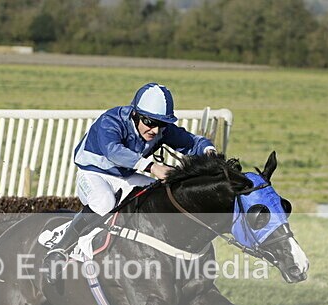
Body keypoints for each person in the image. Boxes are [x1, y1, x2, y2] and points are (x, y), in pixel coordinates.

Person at [43, 82, 216, 270]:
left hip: (125, 176)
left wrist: (209, 151)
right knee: (104, 202)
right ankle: (59, 250)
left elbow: (191, 142)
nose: (155, 130)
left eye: (161, 124)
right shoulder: (111, 120)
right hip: (92, 173)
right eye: (150, 122)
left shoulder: (159, 129)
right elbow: (113, 151)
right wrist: (151, 166)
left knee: (163, 194)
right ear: (135, 114)